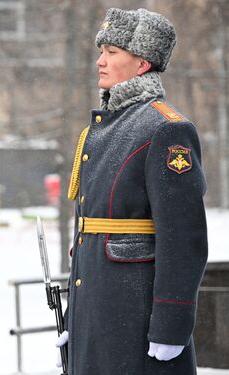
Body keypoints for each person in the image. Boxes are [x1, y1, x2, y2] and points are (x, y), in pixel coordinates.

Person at [57, 8, 208, 375]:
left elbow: (183, 237)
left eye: (111, 52)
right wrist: (77, 316)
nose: (99, 61)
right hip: (100, 315)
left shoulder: (165, 129)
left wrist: (171, 326)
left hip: (135, 319)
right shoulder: (106, 126)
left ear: (141, 63)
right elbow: (92, 232)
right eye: (101, 51)